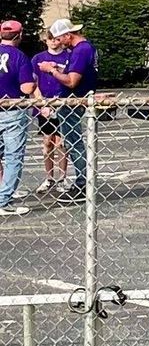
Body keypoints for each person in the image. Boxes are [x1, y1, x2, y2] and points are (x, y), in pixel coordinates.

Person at [35, 19, 97, 201]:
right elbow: (76, 72)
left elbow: (71, 81)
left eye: (60, 39)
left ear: (68, 35)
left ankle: (82, 183)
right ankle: (83, 181)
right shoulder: (85, 49)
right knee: (71, 141)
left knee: (73, 142)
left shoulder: (80, 50)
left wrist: (50, 71)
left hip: (72, 101)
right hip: (75, 99)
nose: (60, 43)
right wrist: (59, 68)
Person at [0, 18, 32, 215]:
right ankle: (3, 200)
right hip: (12, 109)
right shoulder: (19, 56)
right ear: (19, 35)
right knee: (13, 156)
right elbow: (26, 87)